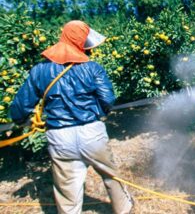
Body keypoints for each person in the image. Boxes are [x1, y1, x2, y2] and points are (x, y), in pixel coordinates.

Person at [9, 20, 133, 214]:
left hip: (60, 136)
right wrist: (99, 115)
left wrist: (23, 121)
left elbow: (20, 107)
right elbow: (108, 99)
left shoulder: (40, 70)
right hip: (92, 132)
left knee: (68, 190)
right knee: (111, 176)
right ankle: (124, 209)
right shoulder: (92, 68)